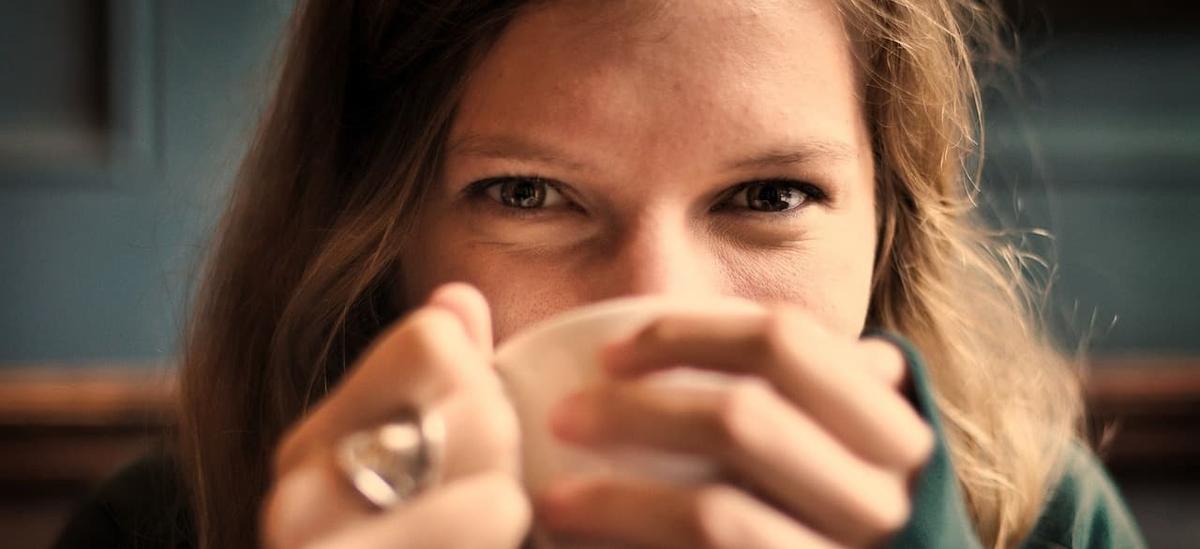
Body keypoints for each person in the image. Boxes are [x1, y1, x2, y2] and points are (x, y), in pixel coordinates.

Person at [54, 0, 1147, 548]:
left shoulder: (1042, 520)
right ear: (379, 231)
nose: (652, 307)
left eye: (768, 198)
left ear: (889, 229)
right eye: (528, 194)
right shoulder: (169, 526)